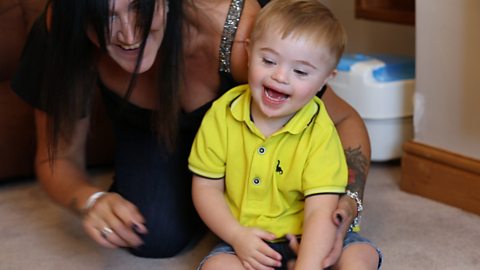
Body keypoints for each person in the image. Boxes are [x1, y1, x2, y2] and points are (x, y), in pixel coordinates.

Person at [12, 0, 379, 265]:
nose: (128, 36)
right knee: (152, 235)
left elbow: (346, 123)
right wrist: (87, 198)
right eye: (105, 18)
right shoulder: (62, 29)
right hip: (158, 134)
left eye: (139, 9)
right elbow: (57, 157)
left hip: (252, 138)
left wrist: (345, 207)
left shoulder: (240, 37)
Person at [189, 1, 380, 269]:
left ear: (326, 79)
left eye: (300, 71)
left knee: (359, 258)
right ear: (248, 51)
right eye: (268, 60)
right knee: (216, 267)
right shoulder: (223, 113)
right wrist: (237, 236)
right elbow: (206, 188)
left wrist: (308, 264)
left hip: (311, 237)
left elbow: (319, 211)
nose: (280, 76)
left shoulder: (320, 131)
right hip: (249, 238)